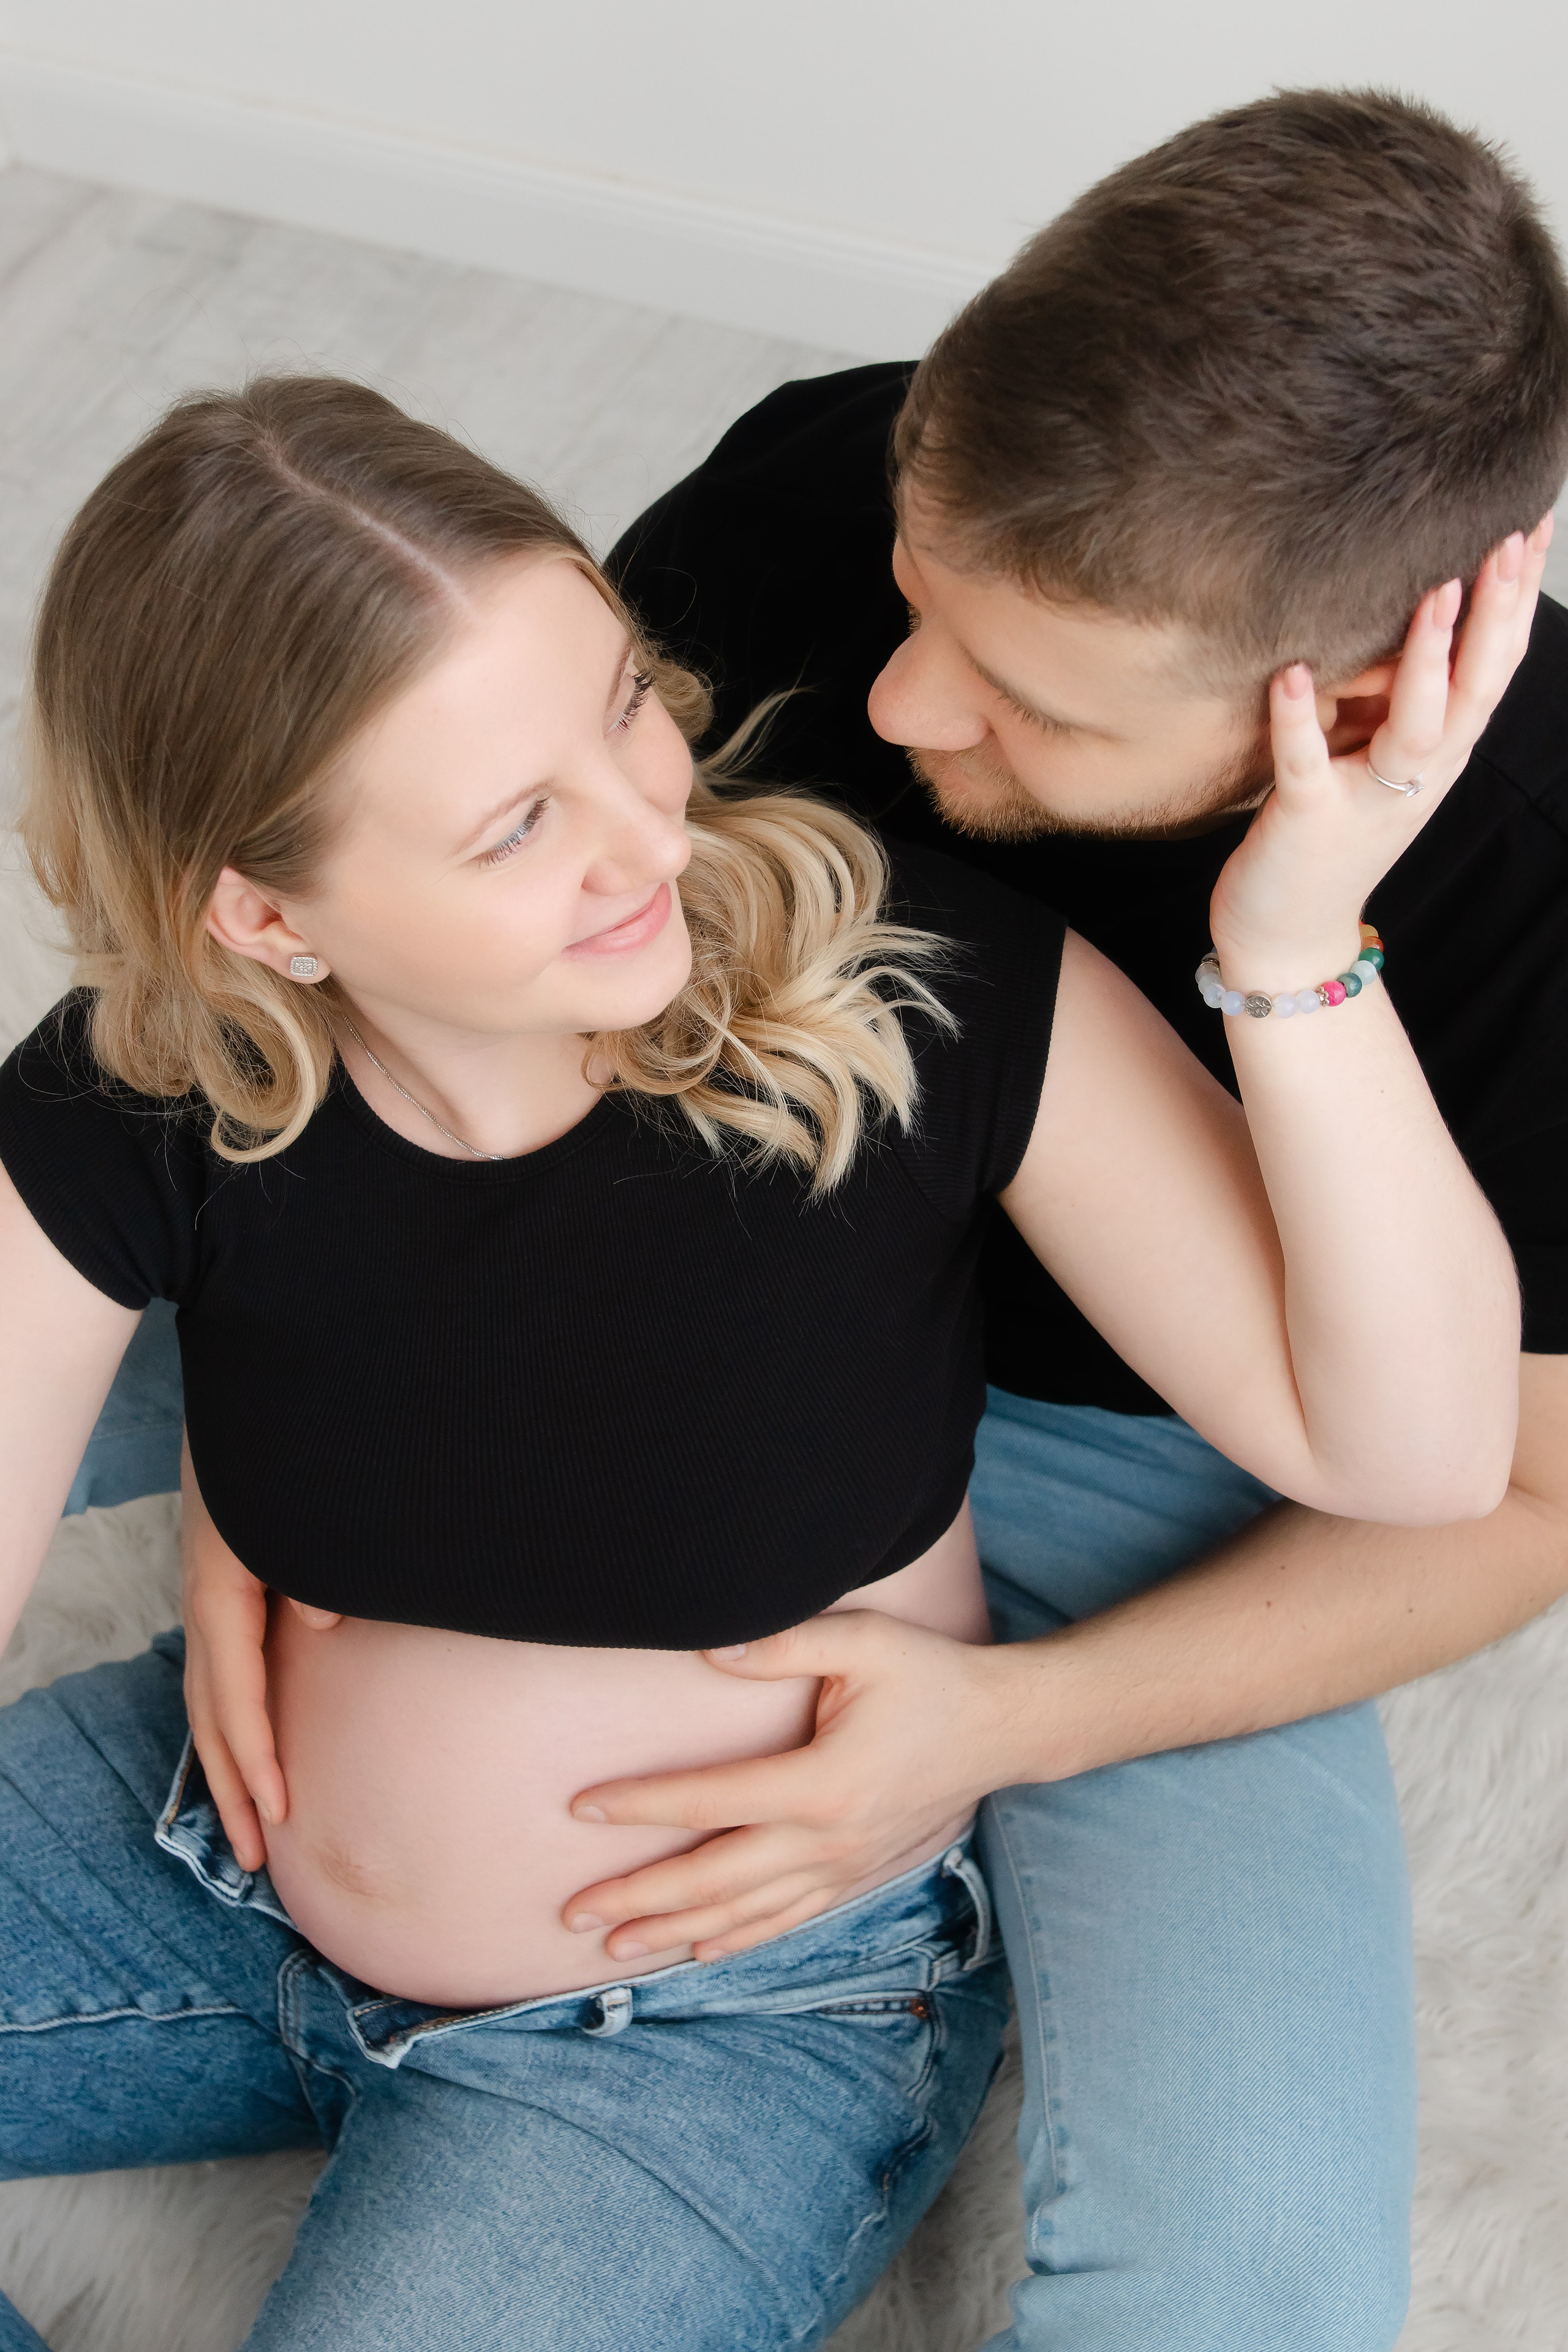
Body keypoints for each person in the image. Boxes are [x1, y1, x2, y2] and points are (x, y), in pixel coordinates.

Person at [0, 354, 1526, 2350]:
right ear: (268, 921)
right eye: (515, 825)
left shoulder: (921, 989)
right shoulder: (148, 1095)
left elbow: (1414, 1459)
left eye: (626, 702)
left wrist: (1301, 935)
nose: (651, 830)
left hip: (715, 2022)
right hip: (207, 1871)